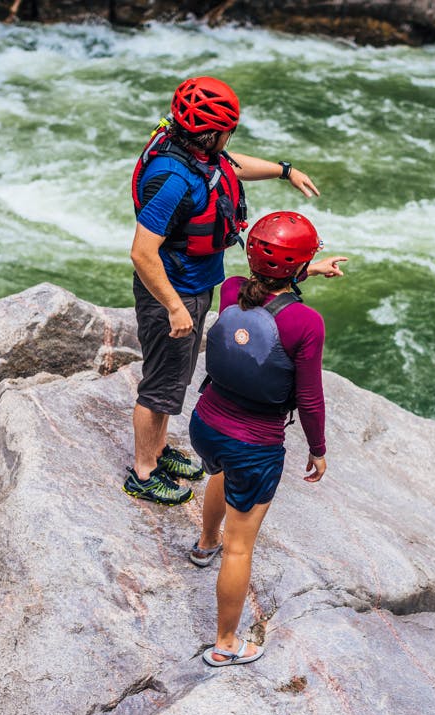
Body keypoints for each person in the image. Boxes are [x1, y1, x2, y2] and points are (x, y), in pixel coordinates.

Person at [125, 76, 340, 506]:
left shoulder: (194, 151)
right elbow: (142, 252)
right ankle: (143, 471)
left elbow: (231, 165)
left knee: (175, 380)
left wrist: (285, 171)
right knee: (160, 386)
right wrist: (173, 307)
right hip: (175, 290)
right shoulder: (172, 180)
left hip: (194, 282)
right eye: (229, 130)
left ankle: (159, 449)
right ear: (212, 132)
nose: (230, 138)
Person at [188, 211, 330, 666]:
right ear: (299, 268)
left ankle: (203, 543)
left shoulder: (231, 289)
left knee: (219, 472)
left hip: (205, 424)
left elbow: (263, 295)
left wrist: (306, 269)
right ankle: (226, 644)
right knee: (241, 546)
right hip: (254, 444)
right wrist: (319, 449)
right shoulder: (307, 323)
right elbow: (309, 399)